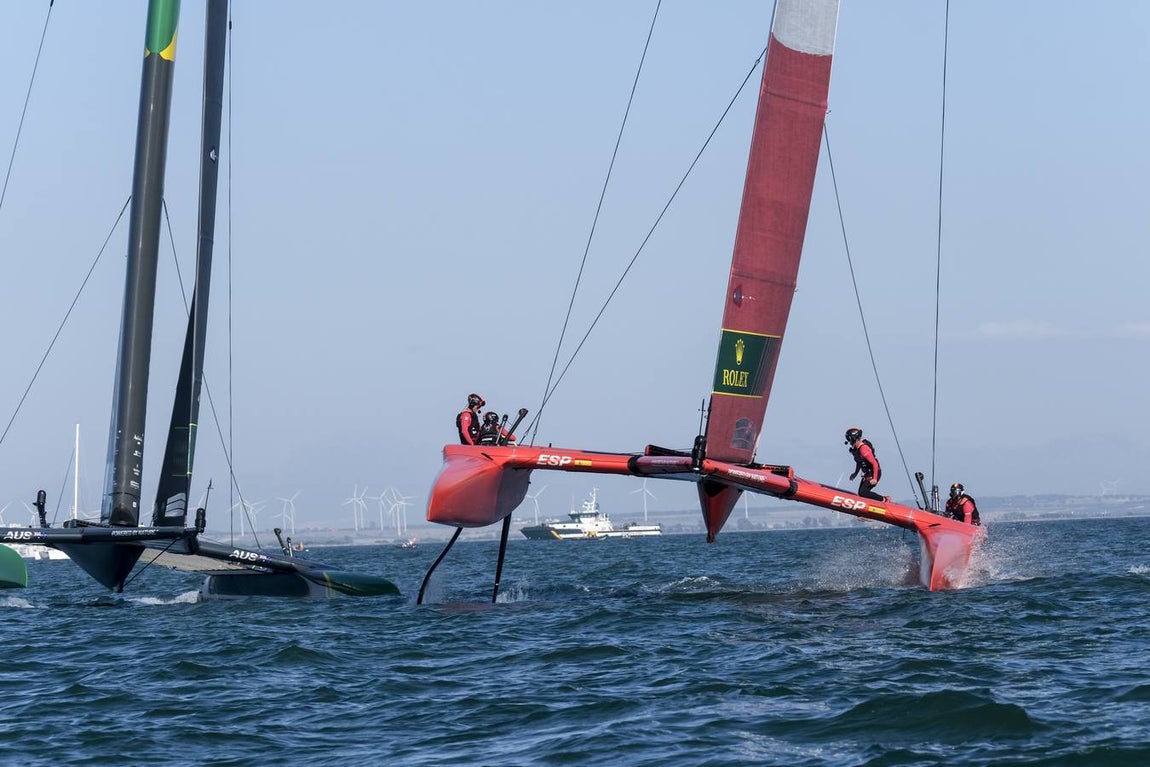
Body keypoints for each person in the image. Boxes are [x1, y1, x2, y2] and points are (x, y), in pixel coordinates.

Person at [845, 427, 884, 501]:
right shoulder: (857, 449)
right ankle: (878, 502)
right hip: (868, 473)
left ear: (853, 438)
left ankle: (884, 499)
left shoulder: (863, 449)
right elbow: (859, 462)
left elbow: (874, 463)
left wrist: (875, 478)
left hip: (874, 472)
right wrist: (855, 474)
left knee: (863, 492)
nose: (849, 442)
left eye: (849, 440)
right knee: (861, 493)